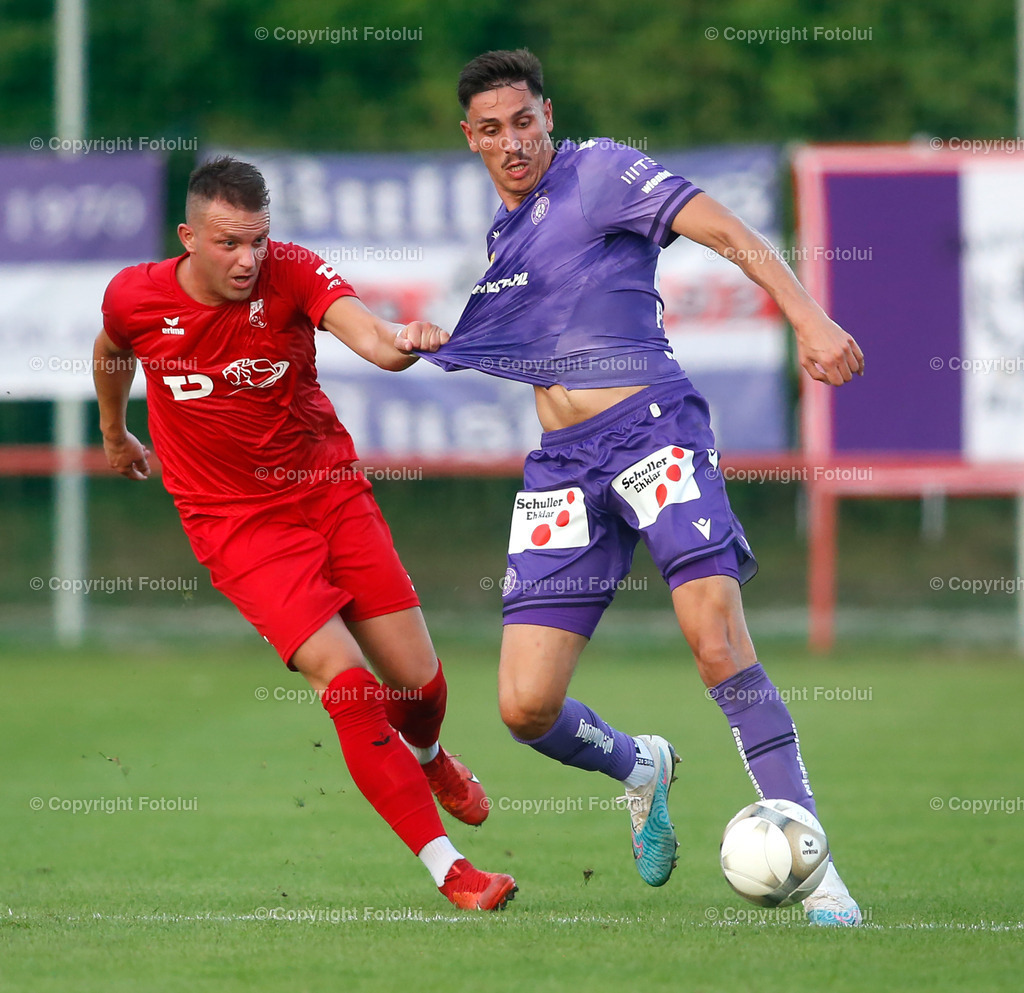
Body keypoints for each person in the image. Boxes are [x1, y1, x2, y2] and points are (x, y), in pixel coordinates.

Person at [405, 48, 864, 925]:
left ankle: (817, 871)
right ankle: (639, 765)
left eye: (525, 121)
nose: (513, 142)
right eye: (492, 130)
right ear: (470, 139)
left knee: (717, 642)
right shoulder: (504, 242)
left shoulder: (601, 171)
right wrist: (413, 338)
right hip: (564, 467)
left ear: (550, 113)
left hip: (653, 432)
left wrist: (809, 315)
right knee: (524, 707)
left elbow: (725, 230)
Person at [93, 156, 516, 911]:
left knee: (419, 685)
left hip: (329, 494)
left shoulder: (292, 273)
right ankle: (452, 870)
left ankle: (429, 753)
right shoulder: (134, 296)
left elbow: (376, 342)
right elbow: (111, 349)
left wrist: (407, 339)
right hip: (236, 525)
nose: (247, 259)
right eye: (227, 243)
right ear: (188, 237)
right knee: (350, 683)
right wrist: (116, 432)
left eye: (257, 240)